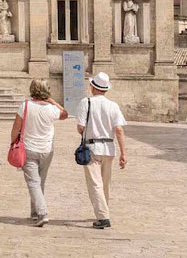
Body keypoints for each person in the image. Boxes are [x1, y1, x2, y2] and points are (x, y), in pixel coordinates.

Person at [10, 79, 67, 227]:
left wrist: (12, 143)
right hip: (47, 150)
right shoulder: (51, 109)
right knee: (39, 182)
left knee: (34, 182)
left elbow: (16, 128)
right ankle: (34, 213)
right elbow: (65, 114)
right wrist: (52, 101)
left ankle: (42, 213)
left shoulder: (25, 106)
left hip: (29, 149)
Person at [76, 72, 127, 229]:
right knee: (105, 183)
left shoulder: (86, 102)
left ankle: (103, 217)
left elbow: (80, 127)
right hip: (109, 148)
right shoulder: (113, 105)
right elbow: (118, 129)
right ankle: (104, 211)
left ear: (92, 86)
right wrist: (123, 153)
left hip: (91, 147)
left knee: (95, 184)